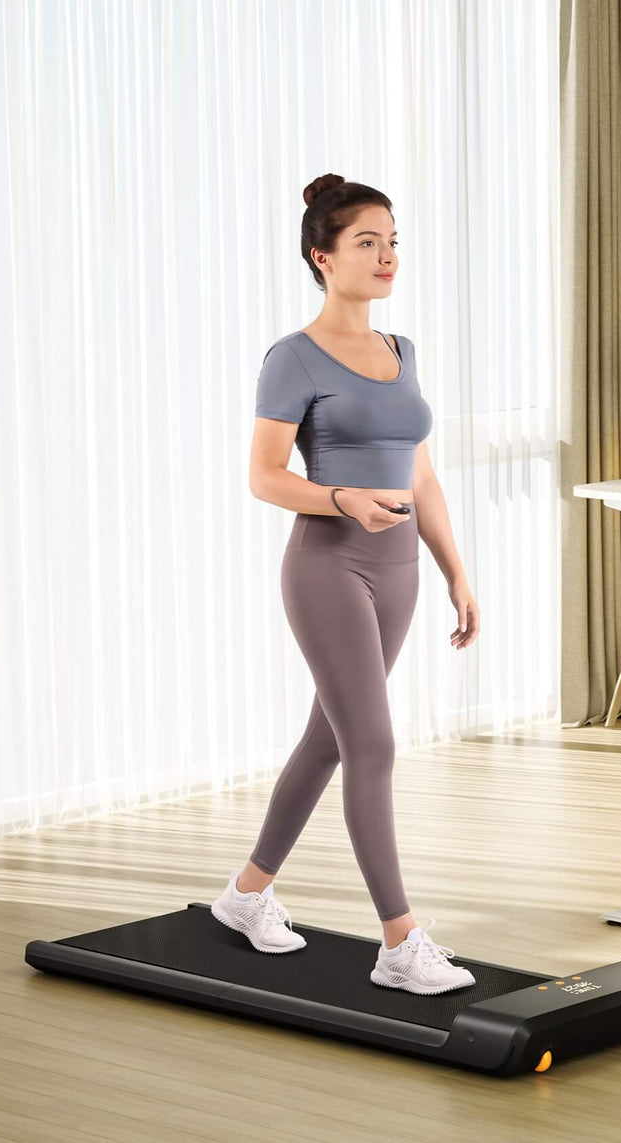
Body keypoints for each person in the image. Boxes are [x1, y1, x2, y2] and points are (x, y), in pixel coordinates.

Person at [209, 173, 483, 992]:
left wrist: (456, 573)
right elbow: (263, 476)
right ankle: (400, 942)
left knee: (329, 739)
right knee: (372, 743)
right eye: (368, 242)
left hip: (397, 569)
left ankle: (245, 895)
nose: (388, 254)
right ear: (323, 257)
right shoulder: (290, 358)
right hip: (328, 565)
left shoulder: (404, 354)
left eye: (393, 239)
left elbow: (422, 478)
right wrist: (340, 499)